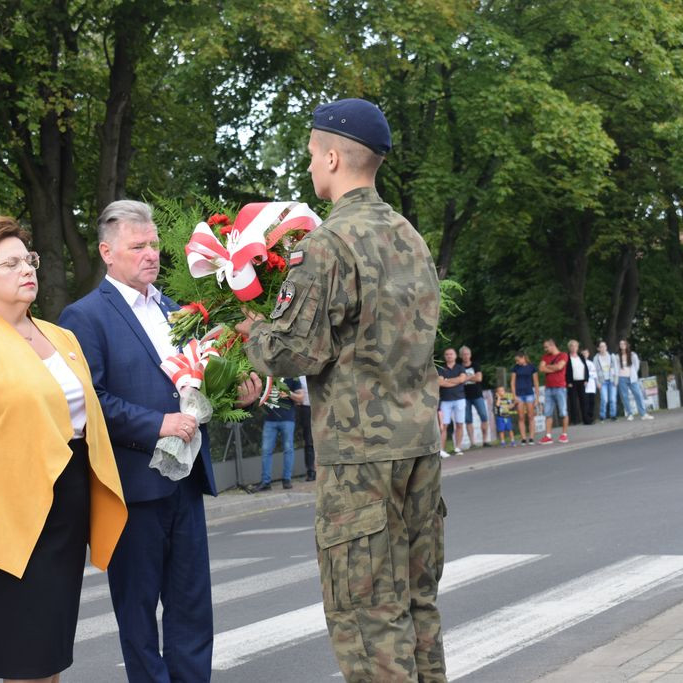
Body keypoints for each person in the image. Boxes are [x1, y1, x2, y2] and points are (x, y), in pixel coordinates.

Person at [238, 98, 447, 682]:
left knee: (367, 618)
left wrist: (250, 328)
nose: (309, 167)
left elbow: (294, 352)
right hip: (418, 447)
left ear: (333, 156)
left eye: (311, 155)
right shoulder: (410, 237)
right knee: (417, 606)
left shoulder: (329, 244)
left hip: (360, 459)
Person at [59, 199, 262, 683]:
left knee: (193, 608)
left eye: (153, 244)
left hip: (185, 482)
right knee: (139, 614)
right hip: (131, 489)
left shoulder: (176, 311)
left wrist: (242, 391)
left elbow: (199, 385)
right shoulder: (83, 317)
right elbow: (92, 400)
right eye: (138, 246)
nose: (151, 253)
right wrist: (157, 424)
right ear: (107, 252)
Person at [0, 215, 127, 682]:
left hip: (64, 506)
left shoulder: (61, 337)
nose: (26, 269)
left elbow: (85, 421)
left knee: (49, 653)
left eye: (28, 259)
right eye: (10, 263)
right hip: (4, 518)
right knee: (22, 657)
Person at [251, 377, 303, 491]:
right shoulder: (268, 376)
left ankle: (287, 479)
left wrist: (288, 393)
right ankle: (266, 482)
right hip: (270, 419)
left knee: (288, 449)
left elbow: (301, 398)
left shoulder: (292, 376)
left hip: (287, 418)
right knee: (266, 451)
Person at [538, 338, 570, 444]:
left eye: (546, 347)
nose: (545, 349)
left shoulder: (563, 355)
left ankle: (564, 435)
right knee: (548, 413)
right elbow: (541, 369)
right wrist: (553, 368)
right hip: (548, 388)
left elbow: (560, 366)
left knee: (563, 411)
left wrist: (548, 366)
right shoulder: (545, 356)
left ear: (552, 345)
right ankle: (548, 436)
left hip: (560, 387)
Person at [438, 347, 468, 456]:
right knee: (444, 426)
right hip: (445, 400)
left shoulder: (460, 368)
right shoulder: (441, 369)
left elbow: (462, 379)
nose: (449, 356)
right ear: (445, 356)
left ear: (455, 356)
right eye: (447, 354)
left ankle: (458, 448)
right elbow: (440, 383)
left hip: (460, 399)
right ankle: (441, 450)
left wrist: (447, 381)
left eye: (451, 354)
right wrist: (456, 381)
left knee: (459, 424)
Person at [459, 346, 491, 447]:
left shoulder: (475, 365)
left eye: (467, 354)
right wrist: (472, 377)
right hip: (464, 396)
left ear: (470, 355)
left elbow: (479, 378)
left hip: (477, 395)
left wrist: (465, 378)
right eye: (464, 354)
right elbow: (460, 380)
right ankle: (472, 443)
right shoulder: (459, 367)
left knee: (484, 417)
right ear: (460, 356)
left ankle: (485, 441)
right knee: (468, 420)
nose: (466, 356)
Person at [617, 338, 653, 420]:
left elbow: (636, 365)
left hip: (632, 378)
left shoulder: (633, 354)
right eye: (620, 344)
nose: (622, 345)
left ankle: (643, 414)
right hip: (622, 378)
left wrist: (633, 374)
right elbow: (616, 368)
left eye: (623, 344)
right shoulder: (617, 356)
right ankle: (630, 414)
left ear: (626, 345)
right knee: (625, 397)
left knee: (638, 395)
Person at [510, 352, 539, 444]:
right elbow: (512, 383)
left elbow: (536, 382)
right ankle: (523, 438)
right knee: (521, 416)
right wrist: (514, 396)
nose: (517, 362)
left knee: (530, 416)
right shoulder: (515, 368)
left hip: (529, 394)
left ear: (523, 358)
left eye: (518, 360)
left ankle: (531, 437)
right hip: (519, 395)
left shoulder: (531, 367)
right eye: (516, 361)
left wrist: (537, 397)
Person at [294, 374, 316, 481]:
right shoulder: (299, 376)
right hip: (305, 409)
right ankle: (311, 471)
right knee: (309, 441)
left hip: (320, 408)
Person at [565, 339, 592, 426]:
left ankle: (586, 420)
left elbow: (586, 369)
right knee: (573, 402)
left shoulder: (581, 356)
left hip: (582, 382)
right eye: (572, 346)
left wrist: (586, 379)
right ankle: (575, 420)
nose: (574, 348)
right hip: (572, 382)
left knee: (584, 401)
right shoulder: (567, 357)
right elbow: (566, 371)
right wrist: (568, 381)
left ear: (577, 347)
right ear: (569, 347)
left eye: (575, 346)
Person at [594, 341, 619, 421]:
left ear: (606, 347)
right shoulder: (596, 358)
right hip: (602, 381)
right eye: (601, 347)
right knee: (604, 399)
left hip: (612, 380)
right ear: (598, 349)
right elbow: (594, 372)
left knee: (613, 399)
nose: (603, 348)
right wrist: (597, 383)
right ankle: (602, 416)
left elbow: (616, 368)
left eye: (604, 346)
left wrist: (616, 380)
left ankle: (613, 415)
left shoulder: (612, 356)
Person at [580, 347, 597, 425]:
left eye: (586, 353)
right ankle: (586, 419)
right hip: (584, 386)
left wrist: (588, 374)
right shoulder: (580, 363)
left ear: (588, 354)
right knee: (585, 403)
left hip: (591, 385)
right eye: (583, 353)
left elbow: (594, 374)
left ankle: (591, 417)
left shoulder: (591, 363)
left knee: (591, 402)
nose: (584, 355)